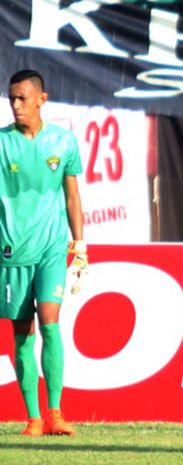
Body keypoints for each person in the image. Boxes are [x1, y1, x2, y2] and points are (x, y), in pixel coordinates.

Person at [1, 69, 87, 436]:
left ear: (42, 99)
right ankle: (33, 417)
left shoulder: (64, 141)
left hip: (52, 247)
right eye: (12, 98)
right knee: (23, 332)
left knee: (50, 322)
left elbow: (72, 196)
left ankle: (54, 413)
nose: (16, 105)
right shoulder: (2, 143)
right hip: (12, 251)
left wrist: (79, 244)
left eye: (23, 98)